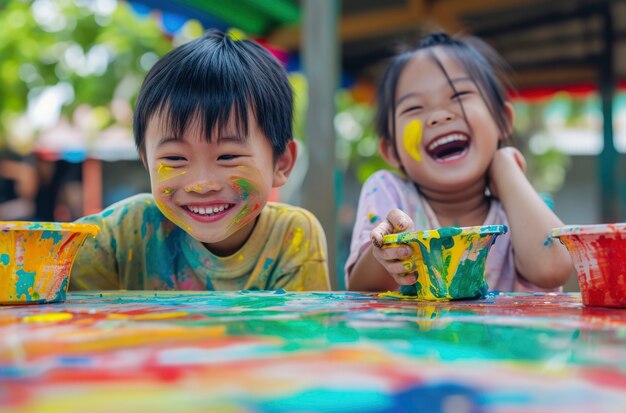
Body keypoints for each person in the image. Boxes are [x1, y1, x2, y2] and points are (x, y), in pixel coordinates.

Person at [70, 29, 330, 291]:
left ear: (282, 162)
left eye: (228, 156)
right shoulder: (125, 231)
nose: (202, 184)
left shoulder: (291, 236)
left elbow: (301, 330)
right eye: (175, 158)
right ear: (147, 161)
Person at [345, 31, 573, 292]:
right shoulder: (389, 192)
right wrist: (387, 253)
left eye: (459, 95)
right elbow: (361, 290)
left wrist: (504, 168)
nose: (439, 117)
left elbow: (554, 270)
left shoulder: (516, 210)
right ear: (391, 150)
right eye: (414, 108)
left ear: (503, 120)